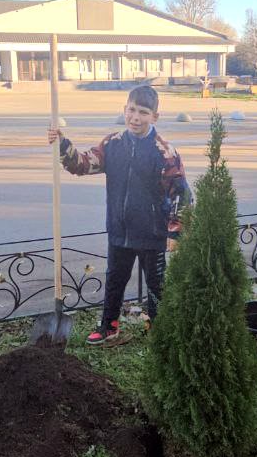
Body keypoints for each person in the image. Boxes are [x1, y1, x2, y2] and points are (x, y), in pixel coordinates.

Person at [47, 85, 190, 344]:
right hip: (119, 231)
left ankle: (160, 328)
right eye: (132, 110)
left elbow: (180, 192)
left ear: (154, 117)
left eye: (143, 112)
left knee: (157, 285)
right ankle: (109, 325)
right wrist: (63, 145)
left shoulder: (164, 152)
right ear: (124, 110)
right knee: (114, 281)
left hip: (152, 233)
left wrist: (175, 230)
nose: (136, 117)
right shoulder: (112, 144)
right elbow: (83, 164)